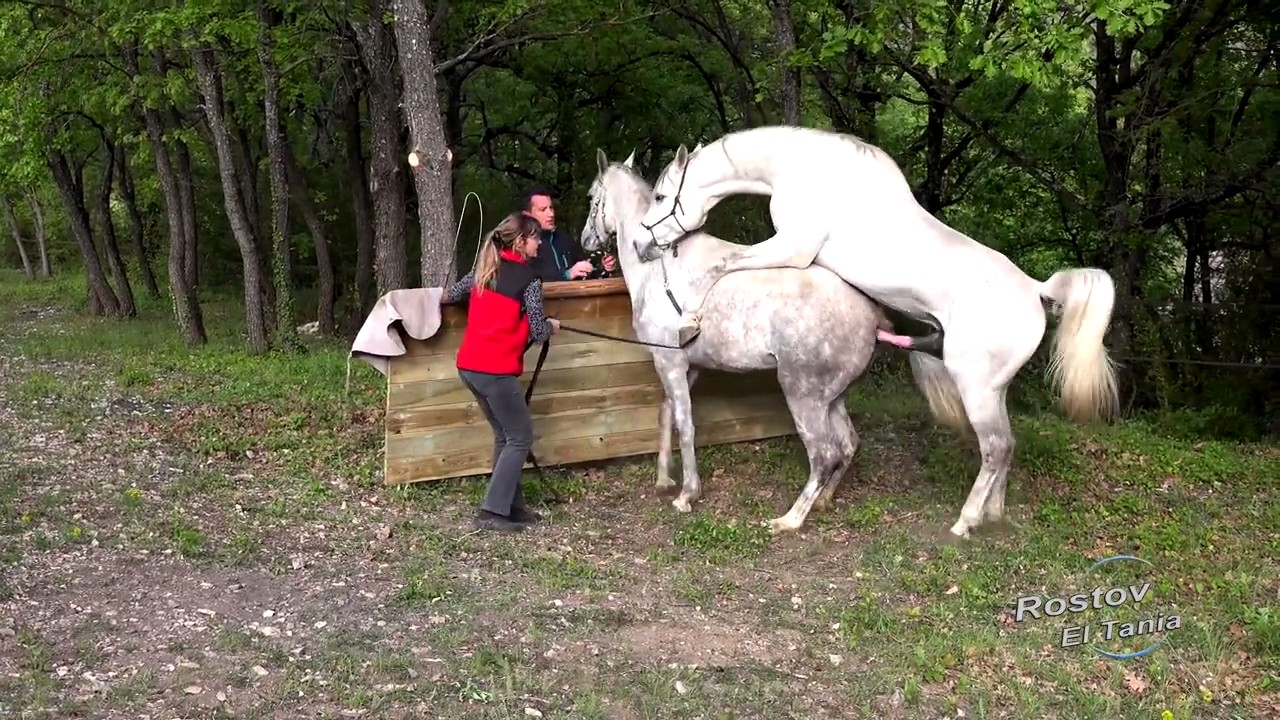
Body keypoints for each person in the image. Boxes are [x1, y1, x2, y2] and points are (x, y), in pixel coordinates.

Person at [442, 212, 561, 532]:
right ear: (521, 242)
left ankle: (511, 506)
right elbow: (537, 330)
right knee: (520, 436)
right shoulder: (529, 280)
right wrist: (552, 325)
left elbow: (451, 295)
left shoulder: (485, 268)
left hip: (469, 367)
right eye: (535, 237)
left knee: (505, 435)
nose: (539, 242)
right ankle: (492, 513)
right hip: (494, 371)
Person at [520, 186, 617, 282]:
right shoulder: (521, 245)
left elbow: (583, 276)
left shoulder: (564, 239)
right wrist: (567, 275)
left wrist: (605, 269)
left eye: (551, 208)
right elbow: (526, 285)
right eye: (543, 210)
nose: (551, 214)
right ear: (527, 215)